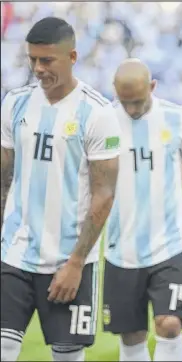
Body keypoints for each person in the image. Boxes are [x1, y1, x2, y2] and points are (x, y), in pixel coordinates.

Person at [0, 17, 121, 362]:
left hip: (68, 260)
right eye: (33, 59)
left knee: (66, 356)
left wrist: (77, 262)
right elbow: (3, 178)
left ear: (72, 57)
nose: (38, 68)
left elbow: (104, 194)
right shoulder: (15, 103)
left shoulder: (96, 113)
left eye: (47, 60)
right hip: (15, 253)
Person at [102, 59, 182, 362]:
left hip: (169, 245)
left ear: (152, 87)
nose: (133, 110)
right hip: (120, 249)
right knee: (132, 335)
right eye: (126, 102)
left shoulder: (178, 119)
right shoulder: (102, 121)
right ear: (115, 91)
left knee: (169, 324)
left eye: (139, 102)